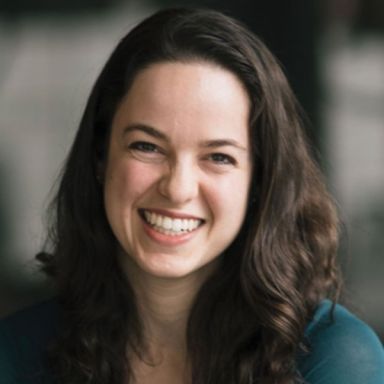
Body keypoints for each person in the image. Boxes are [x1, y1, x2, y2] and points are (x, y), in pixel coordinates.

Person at [0, 7, 383, 384]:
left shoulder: (333, 359)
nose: (178, 188)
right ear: (101, 156)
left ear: (259, 181)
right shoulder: (16, 354)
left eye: (218, 157)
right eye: (147, 147)